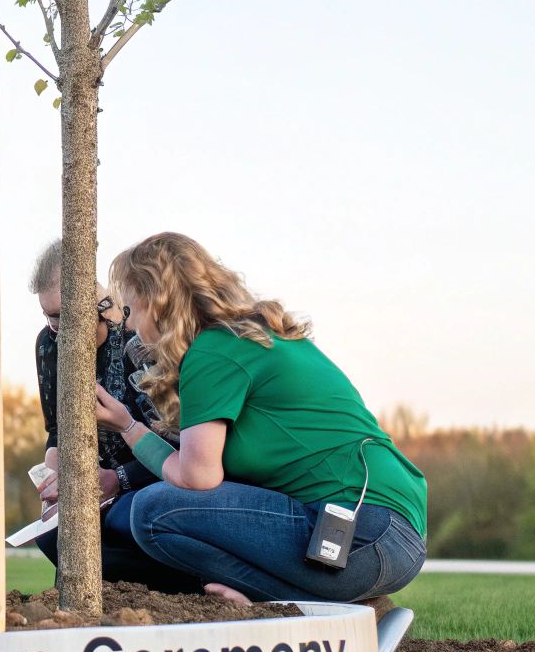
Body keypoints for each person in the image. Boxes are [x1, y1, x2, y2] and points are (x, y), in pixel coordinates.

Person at [96, 233, 429, 604]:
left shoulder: (213, 350)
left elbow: (196, 476)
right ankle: (348, 607)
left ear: (157, 302)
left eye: (131, 311)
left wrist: (129, 428)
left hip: (363, 530)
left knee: (152, 512)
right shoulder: (253, 335)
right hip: (392, 534)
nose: (129, 327)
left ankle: (298, 606)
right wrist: (128, 425)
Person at [26, 240, 198, 593]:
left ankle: (185, 591)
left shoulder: (142, 337)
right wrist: (55, 480)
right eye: (47, 315)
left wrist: (118, 478)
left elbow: (183, 441)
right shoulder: (48, 344)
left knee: (125, 519)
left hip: (157, 479)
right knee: (52, 536)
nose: (55, 327)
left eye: (61, 315)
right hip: (94, 489)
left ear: (97, 303)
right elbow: (57, 429)